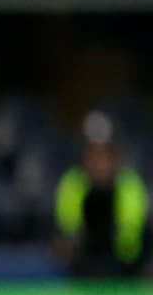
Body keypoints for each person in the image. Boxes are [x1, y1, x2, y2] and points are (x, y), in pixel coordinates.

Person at [54, 111, 148, 278]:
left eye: (105, 155)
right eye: (93, 155)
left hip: (125, 272)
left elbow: (130, 248)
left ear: (115, 157)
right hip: (82, 271)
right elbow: (68, 237)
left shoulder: (129, 185)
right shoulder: (73, 184)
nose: (99, 164)